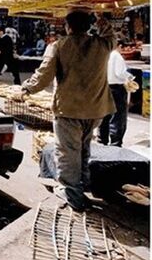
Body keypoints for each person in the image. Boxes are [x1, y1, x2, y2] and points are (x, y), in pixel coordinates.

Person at [17, 11, 115, 211]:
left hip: (69, 110)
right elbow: (111, 35)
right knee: (84, 148)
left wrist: (26, 88)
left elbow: (44, 75)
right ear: (88, 26)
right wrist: (101, 20)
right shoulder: (102, 45)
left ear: (68, 26)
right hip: (96, 109)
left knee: (68, 152)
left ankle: (73, 194)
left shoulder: (59, 46)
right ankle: (84, 184)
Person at [98, 40, 132, 146]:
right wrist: (129, 77)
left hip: (104, 87)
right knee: (117, 116)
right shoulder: (116, 56)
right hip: (116, 88)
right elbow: (120, 72)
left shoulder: (103, 54)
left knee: (104, 114)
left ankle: (102, 139)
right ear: (119, 46)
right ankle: (115, 142)